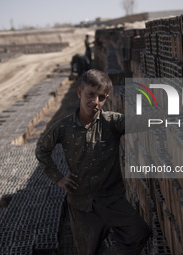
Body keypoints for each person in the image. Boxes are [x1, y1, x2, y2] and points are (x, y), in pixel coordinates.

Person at [35, 69, 150, 255]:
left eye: (101, 97)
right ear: (80, 92)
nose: (95, 102)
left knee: (139, 231)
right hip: (81, 205)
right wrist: (58, 178)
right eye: (91, 95)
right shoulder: (63, 127)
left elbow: (140, 122)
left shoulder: (111, 122)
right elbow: (42, 149)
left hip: (112, 200)